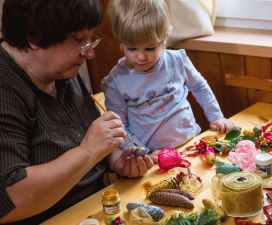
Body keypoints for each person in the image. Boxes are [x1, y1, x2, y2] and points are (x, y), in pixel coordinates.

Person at [0, 0, 154, 224]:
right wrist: (88, 151)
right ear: (33, 38)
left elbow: (87, 135)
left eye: (92, 39)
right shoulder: (6, 87)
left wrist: (116, 160)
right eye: (79, 40)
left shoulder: (61, 70)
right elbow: (9, 199)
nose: (90, 52)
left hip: (99, 208)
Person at [103, 0, 235, 160]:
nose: (141, 56)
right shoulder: (115, 82)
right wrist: (143, 153)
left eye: (150, 48)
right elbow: (120, 128)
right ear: (121, 42)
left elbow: (199, 87)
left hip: (192, 144)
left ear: (164, 38)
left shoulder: (177, 61)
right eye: (132, 48)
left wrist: (216, 116)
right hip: (153, 158)